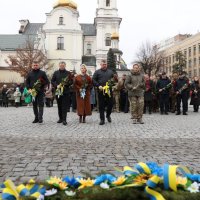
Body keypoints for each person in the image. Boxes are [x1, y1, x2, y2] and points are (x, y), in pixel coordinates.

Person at [92, 59, 114, 125]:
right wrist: (98, 85)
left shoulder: (110, 72)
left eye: (105, 64)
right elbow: (93, 80)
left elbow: (113, 80)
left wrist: (112, 84)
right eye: (103, 64)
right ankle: (102, 119)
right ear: (100, 65)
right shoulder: (97, 72)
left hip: (109, 90)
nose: (104, 65)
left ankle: (108, 115)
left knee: (110, 104)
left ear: (106, 65)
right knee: (101, 105)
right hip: (101, 90)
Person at [51, 61, 73, 125]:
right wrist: (56, 85)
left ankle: (64, 119)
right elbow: (52, 81)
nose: (62, 66)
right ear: (59, 66)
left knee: (64, 106)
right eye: (61, 65)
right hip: (58, 91)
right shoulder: (56, 73)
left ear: (65, 66)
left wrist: (66, 84)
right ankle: (60, 118)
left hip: (65, 91)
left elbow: (71, 81)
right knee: (59, 105)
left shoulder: (68, 73)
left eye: (63, 65)